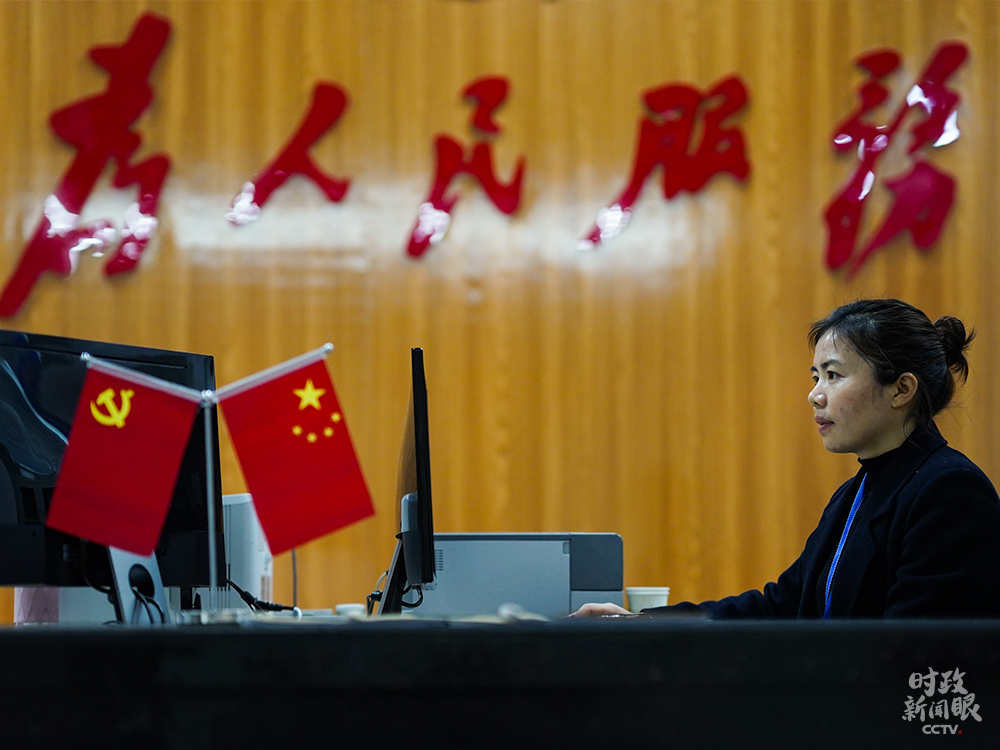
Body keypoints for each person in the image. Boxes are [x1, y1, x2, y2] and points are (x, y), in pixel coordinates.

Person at [574, 299, 1000, 619]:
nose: (815, 395)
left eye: (833, 375)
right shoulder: (856, 493)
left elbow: (916, 653)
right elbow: (782, 605)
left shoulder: (949, 491)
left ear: (901, 390)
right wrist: (641, 625)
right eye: (816, 377)